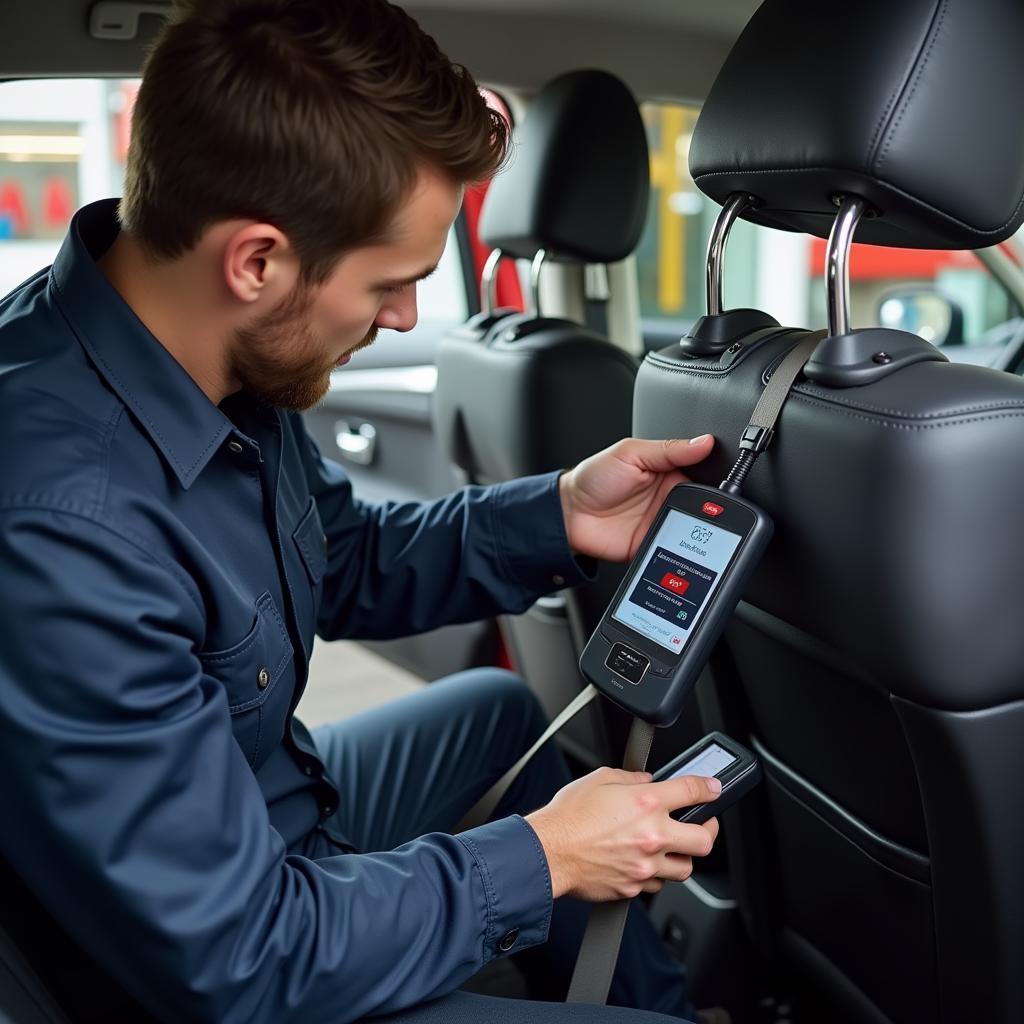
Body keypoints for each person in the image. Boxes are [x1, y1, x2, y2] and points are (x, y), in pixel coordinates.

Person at [0, 1, 724, 1021]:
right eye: (391, 283)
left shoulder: (209, 353)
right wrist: (545, 856)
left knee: (495, 718)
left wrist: (560, 515)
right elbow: (242, 958)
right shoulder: (59, 522)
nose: (404, 319)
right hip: (198, 963)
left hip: (259, 819)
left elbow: (338, 556)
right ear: (257, 262)